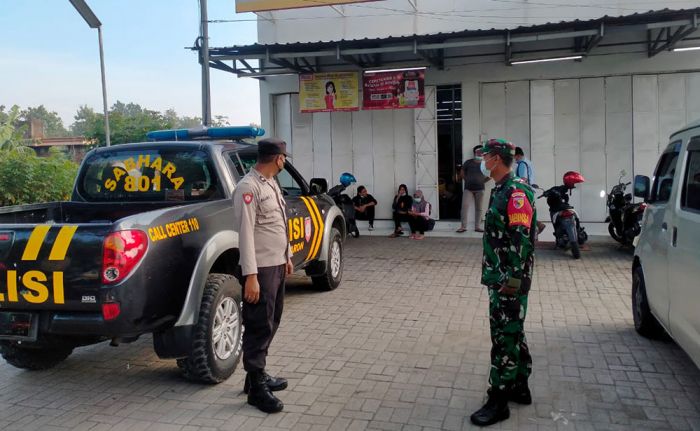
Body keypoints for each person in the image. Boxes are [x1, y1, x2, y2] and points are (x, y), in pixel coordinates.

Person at [471, 139, 536, 427]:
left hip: (508, 280)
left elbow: (521, 239)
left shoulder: (516, 191)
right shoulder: (500, 189)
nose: (482, 160)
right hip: (501, 277)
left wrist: (512, 279)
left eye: (484, 156)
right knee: (512, 331)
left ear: (496, 159)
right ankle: (519, 386)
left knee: (503, 336)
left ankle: (499, 399)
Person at [232, 138, 294, 414]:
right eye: (284, 157)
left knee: (272, 319)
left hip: (277, 263)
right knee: (259, 323)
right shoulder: (248, 187)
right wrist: (251, 276)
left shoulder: (270, 184)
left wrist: (288, 256)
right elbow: (245, 234)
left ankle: (255, 375)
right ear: (278, 159)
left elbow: (279, 222)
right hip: (261, 268)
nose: (284, 161)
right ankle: (256, 389)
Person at [457, 145, 490, 233]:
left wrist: (482, 181)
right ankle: (463, 227)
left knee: (479, 208)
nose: (479, 153)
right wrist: (467, 180)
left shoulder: (485, 163)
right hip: (468, 189)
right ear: (474, 153)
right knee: (464, 206)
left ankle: (477, 227)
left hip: (480, 189)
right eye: (477, 152)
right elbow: (462, 172)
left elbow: (490, 175)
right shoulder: (468, 162)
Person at [515, 147, 546, 235]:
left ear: (518, 155)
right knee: (526, 210)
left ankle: (536, 226)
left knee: (521, 211)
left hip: (524, 190)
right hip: (529, 190)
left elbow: (523, 179)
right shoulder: (528, 162)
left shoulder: (522, 164)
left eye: (514, 157)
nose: (514, 159)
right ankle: (536, 226)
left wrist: (513, 184)